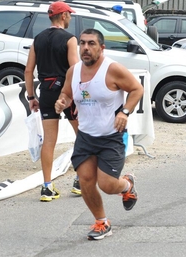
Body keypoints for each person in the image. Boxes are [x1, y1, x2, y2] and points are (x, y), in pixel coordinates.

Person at [55, 29, 144, 240]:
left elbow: (136, 89)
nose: (86, 48)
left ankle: (127, 185)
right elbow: (67, 93)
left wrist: (125, 111)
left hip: (111, 136)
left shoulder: (112, 69)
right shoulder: (73, 71)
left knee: (107, 185)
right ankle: (101, 222)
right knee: (85, 180)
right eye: (83, 43)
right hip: (85, 136)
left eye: (91, 44)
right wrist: (62, 102)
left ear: (101, 48)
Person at [25, 1, 81, 201]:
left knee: (48, 141)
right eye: (70, 15)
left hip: (46, 91)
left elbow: (29, 70)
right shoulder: (70, 39)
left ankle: (47, 186)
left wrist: (32, 96)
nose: (71, 18)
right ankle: (80, 181)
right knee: (81, 135)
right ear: (64, 15)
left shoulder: (37, 39)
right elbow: (74, 69)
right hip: (66, 92)